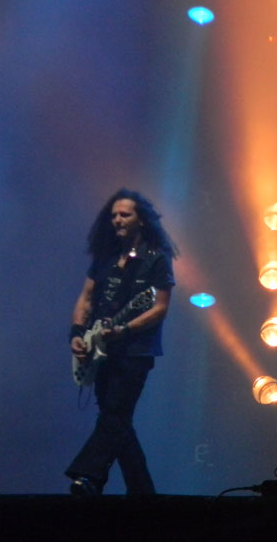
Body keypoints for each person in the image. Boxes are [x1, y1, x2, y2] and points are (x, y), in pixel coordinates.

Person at [65, 188, 177, 495]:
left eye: (124, 214)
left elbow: (160, 308)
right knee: (116, 419)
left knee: (114, 413)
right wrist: (77, 334)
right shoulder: (106, 256)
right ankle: (142, 490)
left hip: (135, 351)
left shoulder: (156, 258)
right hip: (100, 348)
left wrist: (124, 330)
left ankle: (88, 476)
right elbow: (87, 298)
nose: (117, 220)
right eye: (114, 215)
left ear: (141, 220)